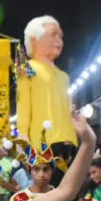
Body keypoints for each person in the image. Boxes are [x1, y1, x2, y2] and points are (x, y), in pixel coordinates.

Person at [16, 16, 77, 147]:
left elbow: (68, 107)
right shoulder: (27, 70)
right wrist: (23, 134)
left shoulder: (64, 76)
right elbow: (23, 104)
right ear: (34, 39)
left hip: (69, 140)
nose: (59, 40)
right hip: (42, 142)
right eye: (53, 35)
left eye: (60, 36)